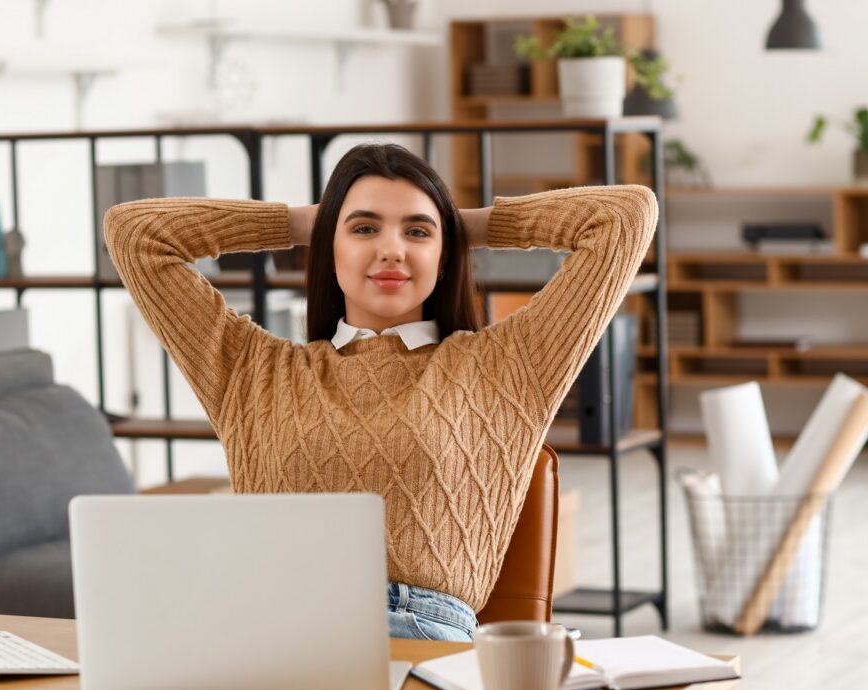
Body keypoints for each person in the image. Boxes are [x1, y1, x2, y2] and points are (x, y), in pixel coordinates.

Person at [104, 143, 658, 642]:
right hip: (274, 633)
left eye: (417, 232)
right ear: (329, 248)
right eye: (365, 229)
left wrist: (463, 224)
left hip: (420, 633)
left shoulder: (509, 367)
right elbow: (135, 233)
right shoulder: (252, 373)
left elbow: (625, 216)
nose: (392, 250)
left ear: (445, 256)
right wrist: (298, 223)